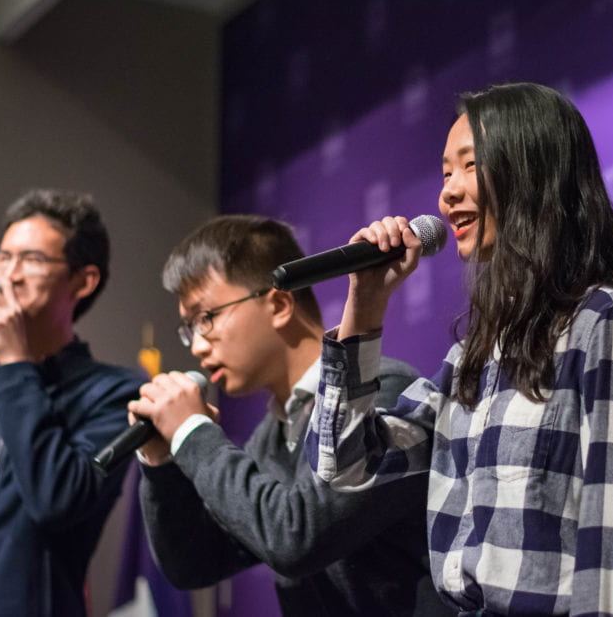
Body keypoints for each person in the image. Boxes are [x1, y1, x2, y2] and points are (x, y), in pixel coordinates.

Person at [305, 82, 613, 615]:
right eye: (446, 172)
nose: (447, 192)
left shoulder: (604, 322)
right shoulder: (474, 354)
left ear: (535, 171)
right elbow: (345, 464)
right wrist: (366, 302)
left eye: (470, 166)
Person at [129, 215, 450, 616]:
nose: (196, 345)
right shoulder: (271, 434)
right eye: (188, 328)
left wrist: (193, 432)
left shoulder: (383, 390)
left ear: (280, 304)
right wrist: (162, 463)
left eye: (205, 318)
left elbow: (298, 535)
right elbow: (195, 562)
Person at [0, 189, 143, 617]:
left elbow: (56, 501)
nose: (10, 275)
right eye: (2, 259)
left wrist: (14, 362)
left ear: (83, 281)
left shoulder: (116, 395)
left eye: (32, 260)